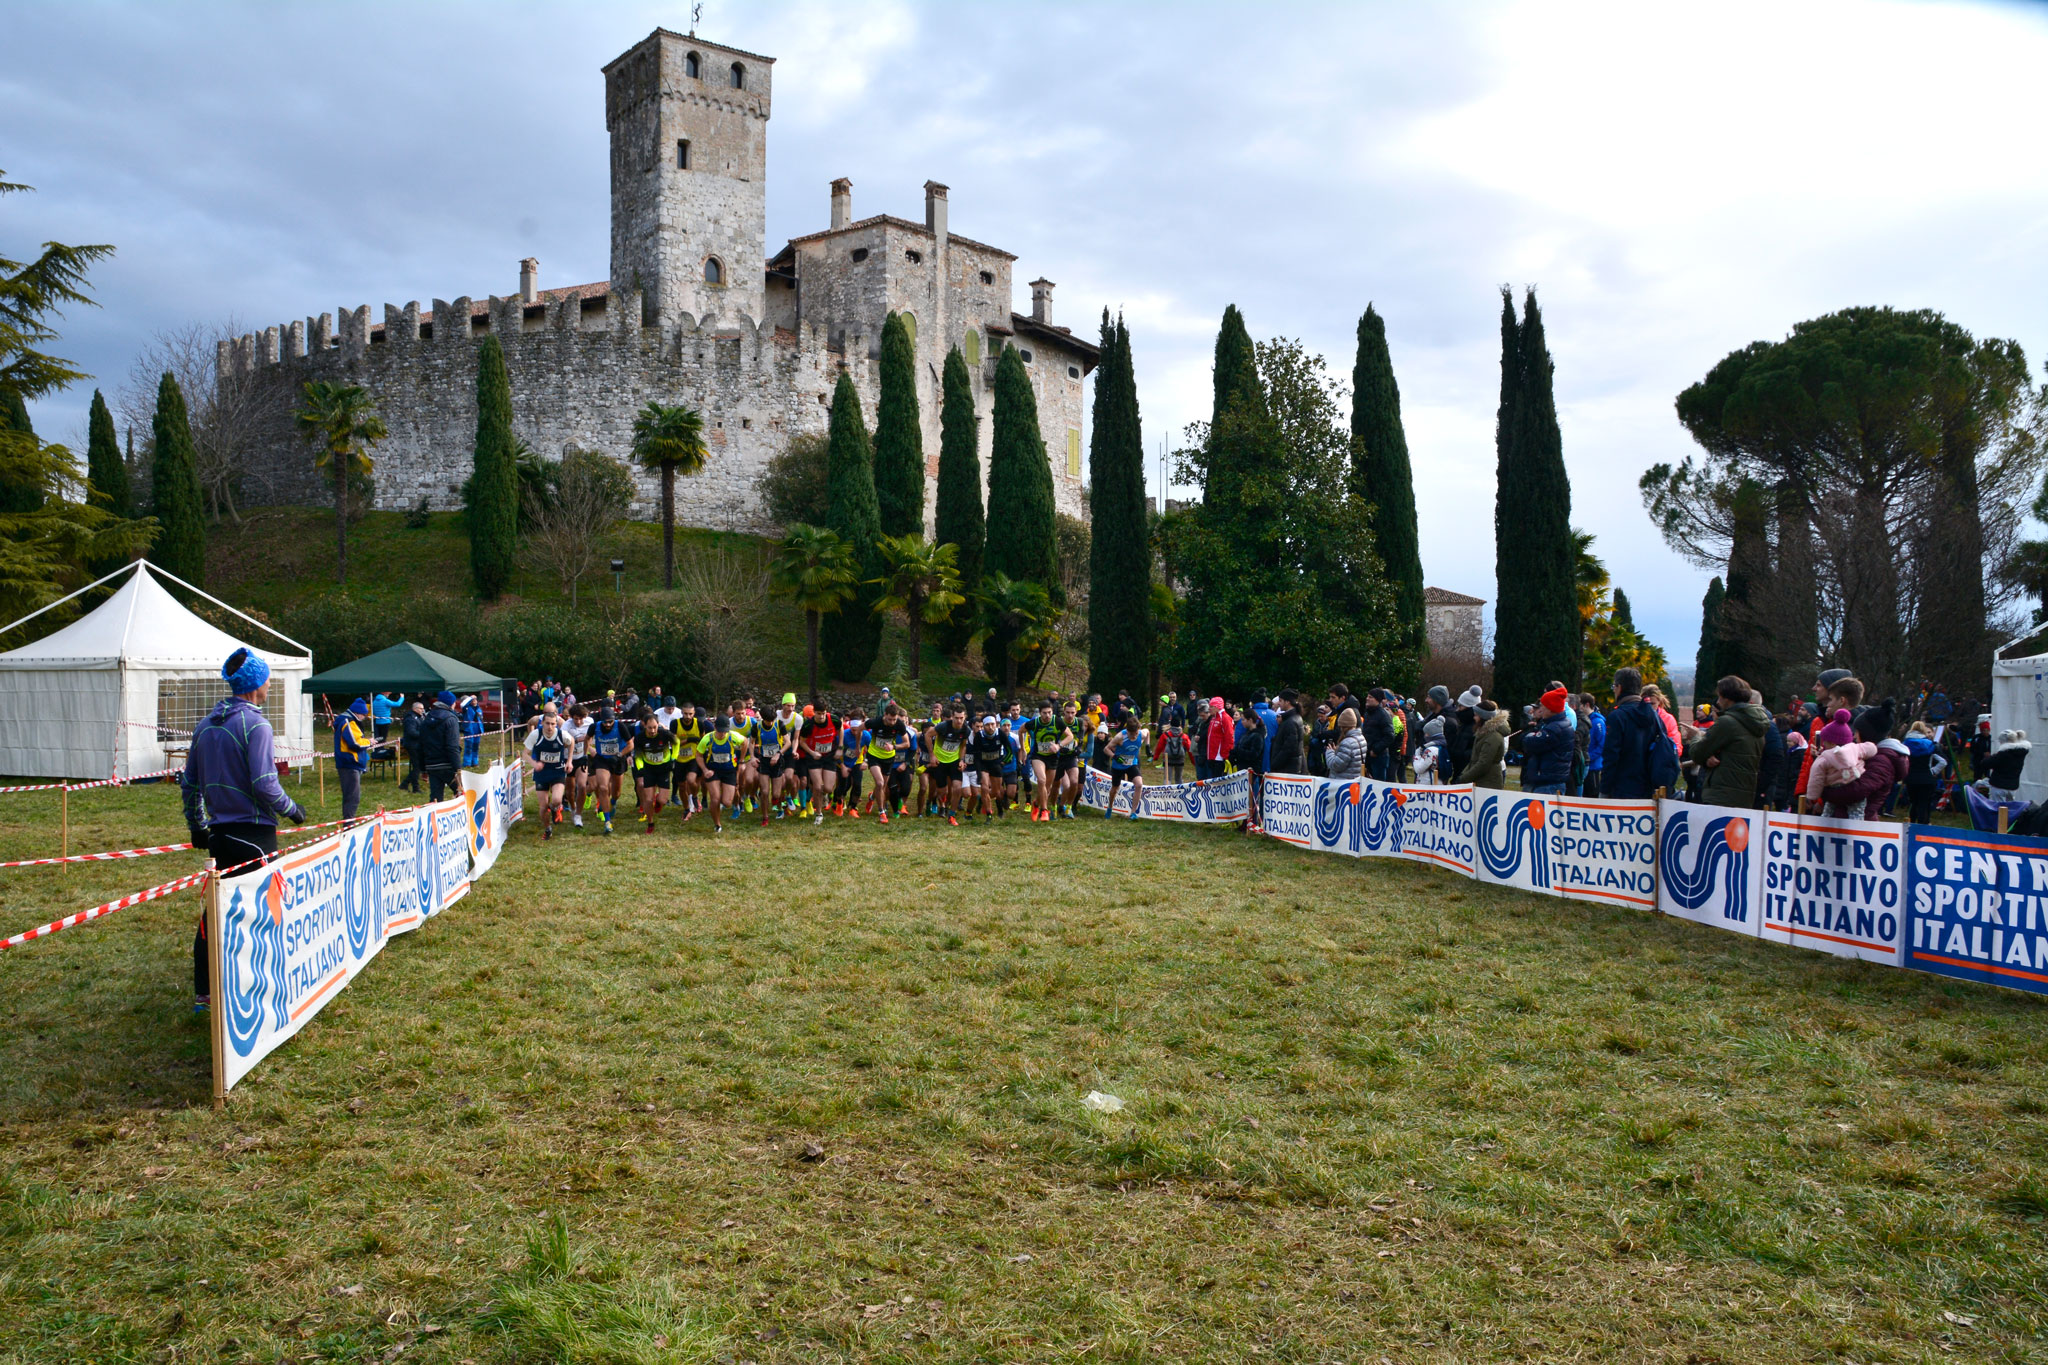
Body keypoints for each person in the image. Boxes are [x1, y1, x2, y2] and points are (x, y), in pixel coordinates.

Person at [182, 648, 307, 1012]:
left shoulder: (206, 725)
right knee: (262, 914)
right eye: (267, 678)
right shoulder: (257, 724)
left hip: (219, 835)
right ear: (256, 684)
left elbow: (189, 783)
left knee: (215, 914)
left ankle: (205, 993)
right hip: (254, 835)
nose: (269, 684)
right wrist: (293, 811)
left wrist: (197, 826)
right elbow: (266, 783)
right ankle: (261, 993)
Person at [1684, 676, 1768, 809]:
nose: (1718, 701)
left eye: (1719, 696)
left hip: (1721, 795)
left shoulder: (1727, 722)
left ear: (1727, 698)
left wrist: (1696, 736)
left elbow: (1697, 753)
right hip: (1745, 794)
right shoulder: (1756, 722)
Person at [1600, 668, 1680, 799]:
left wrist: (1604, 789)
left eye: (1614, 686)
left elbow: (1611, 756)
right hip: (1649, 787)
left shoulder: (1618, 716)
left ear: (1619, 687)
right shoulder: (1655, 716)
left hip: (1622, 788)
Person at [1803, 710, 1874, 809]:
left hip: (1834, 788)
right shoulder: (1855, 748)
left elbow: (1816, 777)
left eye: (1825, 741)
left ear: (1831, 742)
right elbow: (1871, 748)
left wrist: (1812, 796)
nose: (1824, 744)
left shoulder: (1824, 757)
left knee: (1828, 810)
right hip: (1855, 783)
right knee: (1857, 813)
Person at [1519, 688, 1574, 795]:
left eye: (1543, 706)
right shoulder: (1558, 724)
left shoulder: (1555, 729)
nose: (1540, 710)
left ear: (1551, 708)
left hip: (1548, 783)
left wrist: (1530, 735)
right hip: (1548, 780)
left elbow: (1531, 743)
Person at [527, 711, 572, 839]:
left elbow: (571, 742)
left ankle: (554, 808)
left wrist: (569, 761)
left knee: (557, 800)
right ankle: (547, 829)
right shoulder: (536, 734)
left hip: (557, 770)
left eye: (553, 724)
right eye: (547, 723)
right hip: (541, 773)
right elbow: (525, 753)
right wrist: (534, 763)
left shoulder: (562, 734)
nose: (550, 727)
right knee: (542, 806)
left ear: (556, 724)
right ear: (542, 723)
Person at [333, 696, 374, 823]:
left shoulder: (348, 720)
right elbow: (355, 743)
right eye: (363, 715)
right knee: (352, 796)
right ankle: (349, 823)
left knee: (351, 795)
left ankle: (349, 821)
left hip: (351, 763)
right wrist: (369, 742)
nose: (364, 717)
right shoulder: (349, 722)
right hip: (349, 763)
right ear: (357, 713)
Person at [1101, 711, 1149, 819]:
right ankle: (1110, 807)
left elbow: (1148, 732)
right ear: (1127, 731)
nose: (1134, 736)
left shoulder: (1142, 733)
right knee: (1115, 788)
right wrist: (1114, 756)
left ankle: (1133, 813)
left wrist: (1147, 746)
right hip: (1118, 765)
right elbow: (1106, 749)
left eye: (1136, 733)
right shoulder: (1120, 737)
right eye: (1132, 734)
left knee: (1139, 784)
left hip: (1132, 763)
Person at [419, 690, 464, 801]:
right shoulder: (451, 719)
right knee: (463, 793)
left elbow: (421, 744)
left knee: (435, 798)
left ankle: (433, 817)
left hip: (431, 764)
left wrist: (423, 768)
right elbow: (452, 746)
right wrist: (458, 768)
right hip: (448, 764)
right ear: (451, 703)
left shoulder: (427, 718)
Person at [1457, 702, 1509, 788]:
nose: (1474, 718)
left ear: (1483, 717)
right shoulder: (1483, 734)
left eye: (1476, 715)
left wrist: (1463, 778)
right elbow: (1474, 760)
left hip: (1488, 784)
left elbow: (1483, 763)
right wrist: (1463, 775)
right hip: (1480, 782)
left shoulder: (1492, 737)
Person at [1903, 721, 1945, 824]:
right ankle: (1923, 825)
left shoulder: (1906, 744)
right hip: (1927, 777)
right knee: (1924, 803)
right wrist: (1933, 771)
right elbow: (1943, 761)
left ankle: (1912, 823)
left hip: (1911, 777)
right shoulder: (1930, 744)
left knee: (1913, 802)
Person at [1980, 728, 2031, 802]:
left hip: (1999, 786)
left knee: (1998, 809)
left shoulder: (2003, 754)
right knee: (2010, 809)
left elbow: (1985, 763)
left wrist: (1991, 756)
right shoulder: (2021, 753)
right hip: (2013, 786)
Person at [1199, 697, 1234, 783]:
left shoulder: (1225, 718)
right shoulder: (1214, 718)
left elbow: (1229, 737)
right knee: (1213, 780)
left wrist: (1225, 754)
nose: (1209, 709)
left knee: (1219, 781)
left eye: (1211, 707)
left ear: (1217, 707)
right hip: (1211, 755)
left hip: (1219, 757)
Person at [1270, 689, 1305, 776]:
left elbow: (1289, 748)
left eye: (1281, 701)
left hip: (1287, 769)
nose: (1278, 703)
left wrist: (1275, 763)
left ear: (1287, 702)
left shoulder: (1290, 722)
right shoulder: (1294, 718)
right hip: (1290, 767)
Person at [1324, 709, 1365, 781]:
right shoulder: (1361, 738)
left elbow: (1336, 766)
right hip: (1355, 781)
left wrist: (1329, 752)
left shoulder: (1347, 743)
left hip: (1343, 783)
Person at [1579, 694, 1606, 798]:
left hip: (1594, 766)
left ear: (1586, 705)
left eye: (1580, 704)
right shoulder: (1585, 720)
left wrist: (1590, 757)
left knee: (1592, 795)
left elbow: (1601, 744)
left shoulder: (1598, 722)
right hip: (1585, 764)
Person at [398, 698, 425, 792]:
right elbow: (411, 732)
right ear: (415, 709)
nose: (422, 710)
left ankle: (405, 784)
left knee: (418, 767)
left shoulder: (419, 717)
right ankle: (415, 787)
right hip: (412, 745)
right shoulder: (410, 718)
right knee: (417, 767)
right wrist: (423, 735)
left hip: (418, 745)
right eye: (421, 708)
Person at [1153, 717, 1190, 785]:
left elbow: (1159, 747)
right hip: (1180, 759)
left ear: (1170, 725)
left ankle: (1166, 793)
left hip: (1168, 759)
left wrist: (1156, 757)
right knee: (1179, 778)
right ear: (1180, 725)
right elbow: (1189, 748)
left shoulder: (1165, 735)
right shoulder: (1184, 736)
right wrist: (1193, 761)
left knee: (1167, 778)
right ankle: (1180, 793)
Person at [460, 694, 485, 768]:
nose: (474, 701)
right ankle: (467, 763)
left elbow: (481, 719)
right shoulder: (466, 708)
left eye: (475, 700)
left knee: (476, 747)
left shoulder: (479, 709)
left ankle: (475, 762)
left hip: (477, 730)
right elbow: (463, 704)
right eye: (472, 700)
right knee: (468, 747)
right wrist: (471, 697)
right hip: (469, 730)